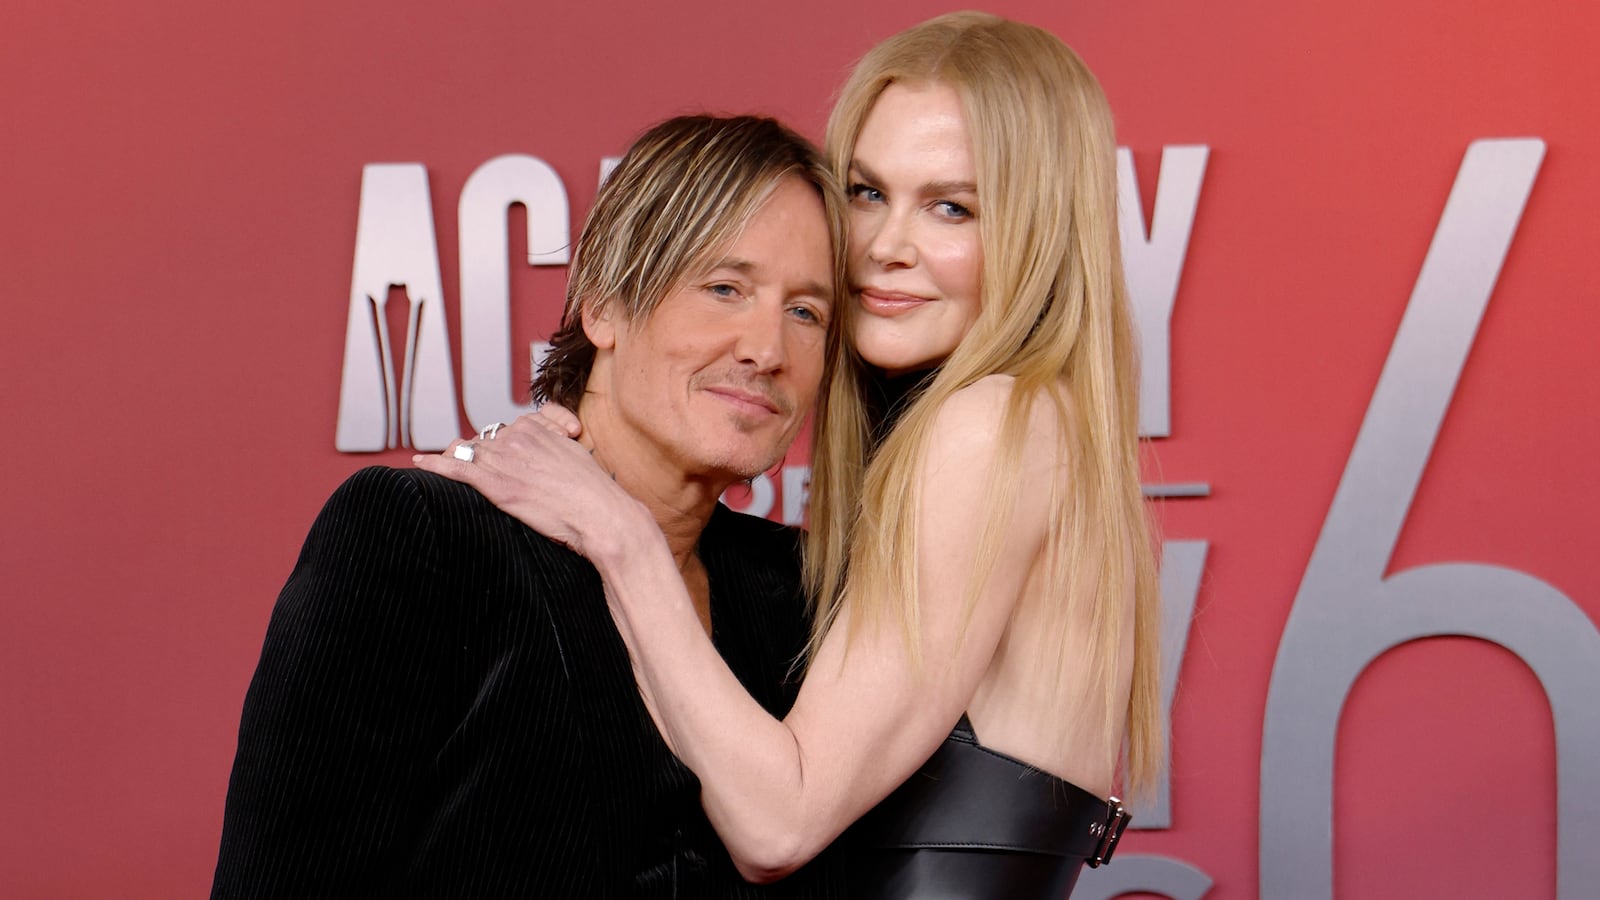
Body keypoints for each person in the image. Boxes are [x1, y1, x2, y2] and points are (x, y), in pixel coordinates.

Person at [426, 11, 1161, 898]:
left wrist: (613, 529)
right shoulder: (1034, 429)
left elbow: (778, 823)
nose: (885, 248)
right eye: (866, 193)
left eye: (951, 207)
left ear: (1040, 232)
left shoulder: (993, 424)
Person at [210, 114, 852, 899]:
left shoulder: (801, 593)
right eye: (725, 289)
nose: (767, 349)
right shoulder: (420, 538)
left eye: (806, 313)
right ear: (605, 304)